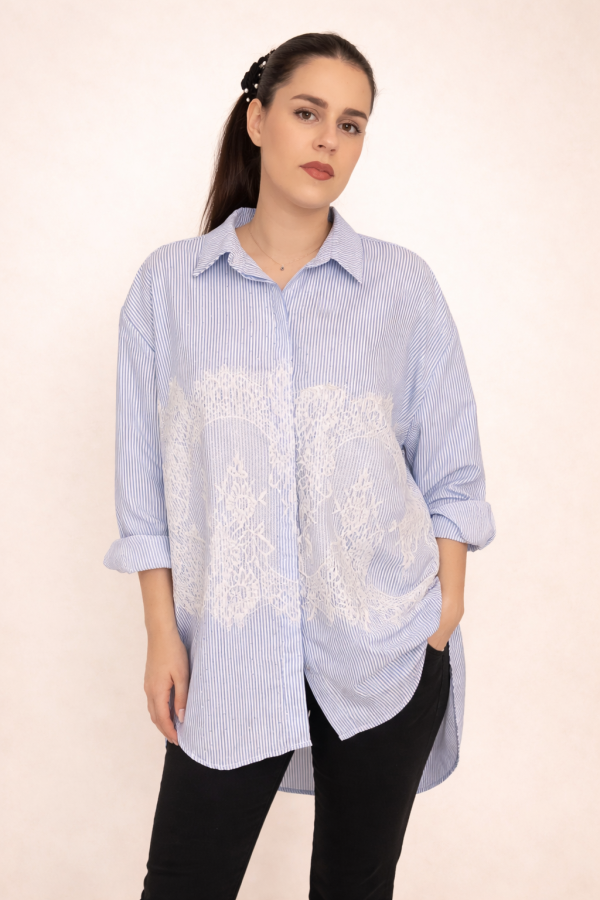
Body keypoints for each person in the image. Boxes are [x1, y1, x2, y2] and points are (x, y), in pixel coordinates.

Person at [104, 31, 495, 900]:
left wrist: (443, 612)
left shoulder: (402, 287)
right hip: (230, 652)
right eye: (308, 113)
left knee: (355, 888)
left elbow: (453, 472)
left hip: (385, 647)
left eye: (351, 125)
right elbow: (144, 488)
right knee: (183, 883)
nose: (328, 140)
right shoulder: (169, 288)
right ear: (257, 120)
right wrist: (162, 633)